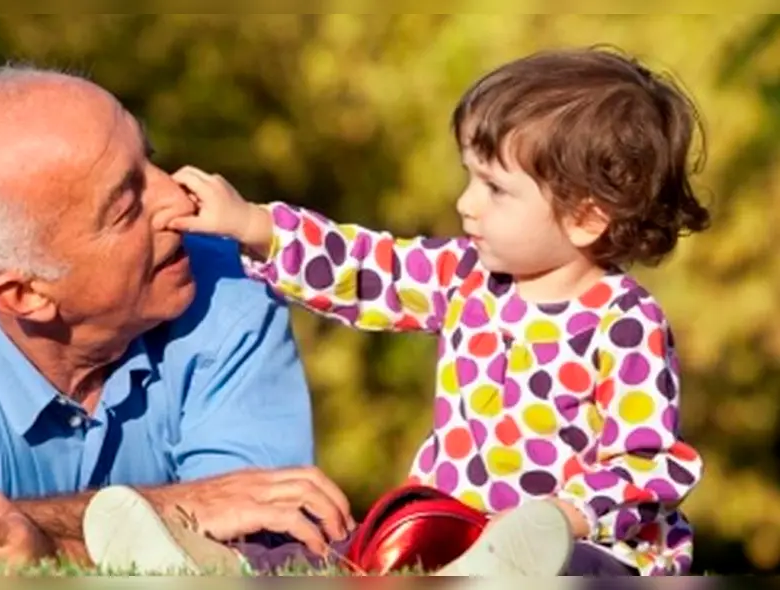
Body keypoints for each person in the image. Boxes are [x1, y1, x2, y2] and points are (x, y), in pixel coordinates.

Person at [83, 47, 710, 576]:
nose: (466, 203)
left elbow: (646, 463)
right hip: (451, 531)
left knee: (572, 569)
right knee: (339, 552)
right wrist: (256, 226)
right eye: (470, 176)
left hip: (592, 549)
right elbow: (366, 269)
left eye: (495, 188)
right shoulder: (468, 277)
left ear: (585, 218)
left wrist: (564, 517)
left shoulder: (625, 322)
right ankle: (202, 563)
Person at [0, 65, 357, 569]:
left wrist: (47, 542)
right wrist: (164, 511)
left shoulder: (229, 284)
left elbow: (264, 542)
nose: (180, 199)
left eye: (150, 158)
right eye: (126, 207)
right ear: (24, 295)